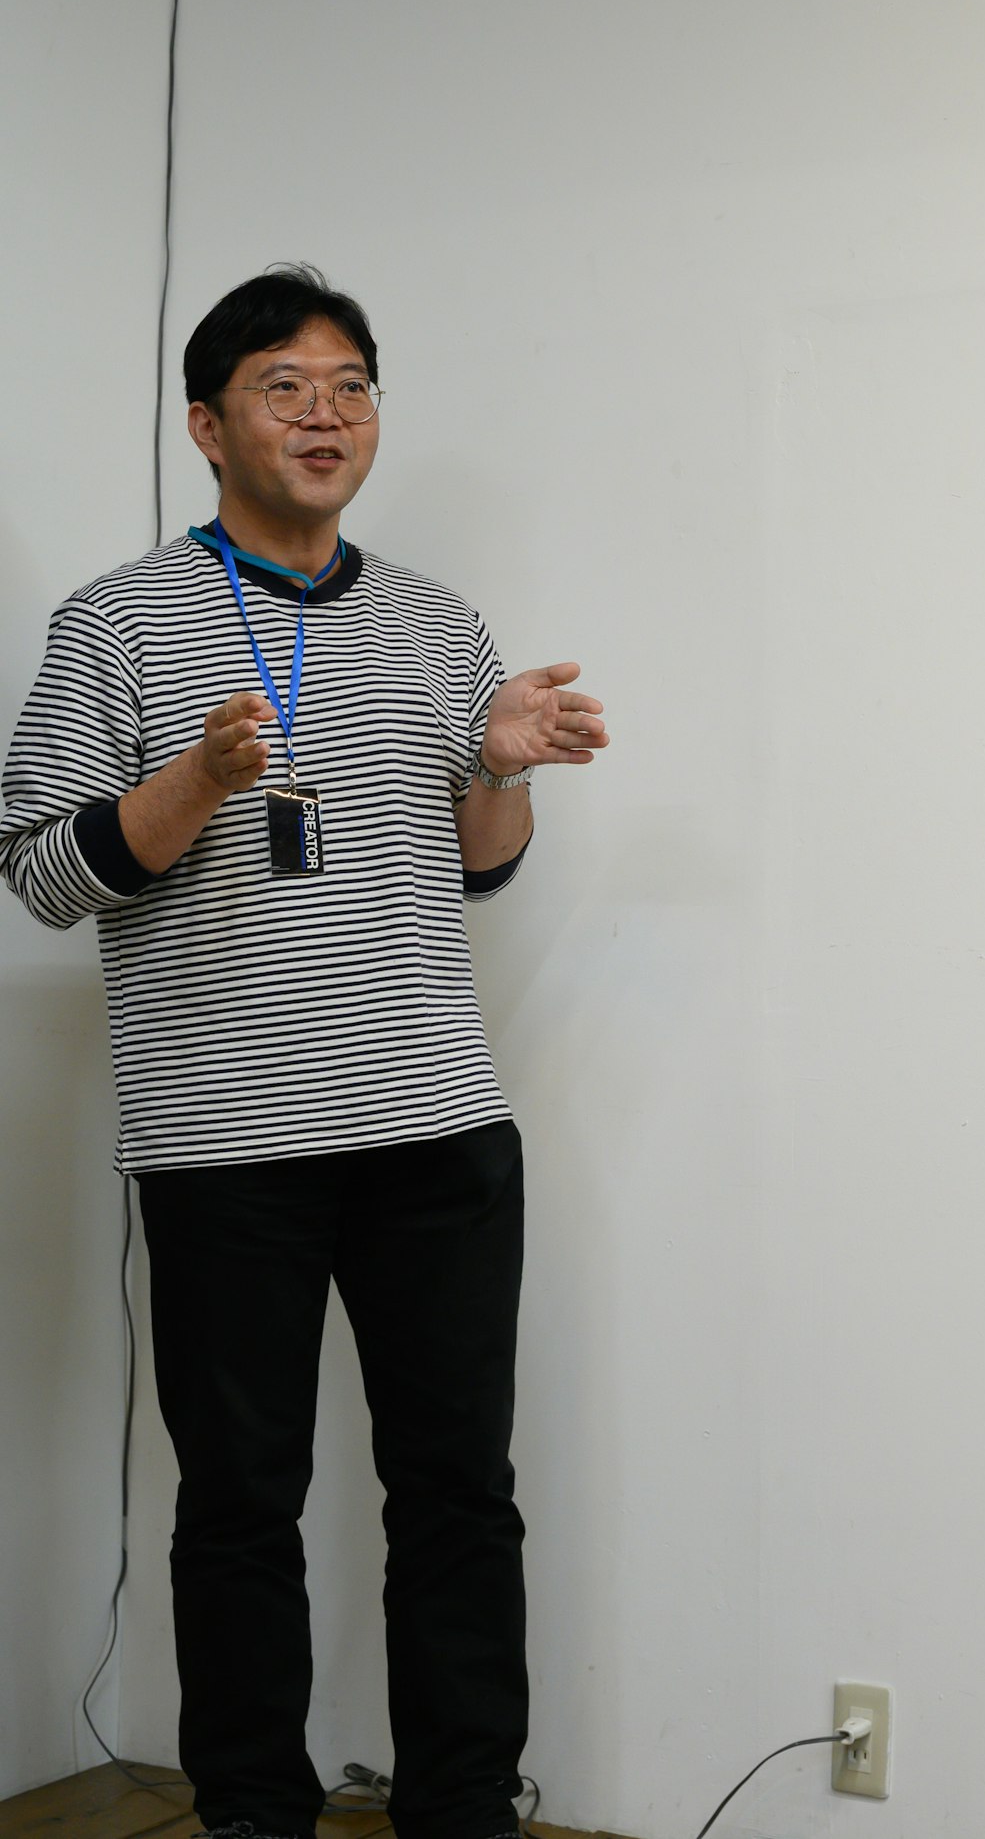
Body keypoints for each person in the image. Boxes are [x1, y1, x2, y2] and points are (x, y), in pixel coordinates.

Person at [0, 266, 608, 1839]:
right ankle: (255, 1813)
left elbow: (476, 866)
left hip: (436, 1127)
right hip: (226, 1144)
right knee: (242, 1510)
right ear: (207, 424)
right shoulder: (116, 621)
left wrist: (505, 766)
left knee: (462, 1495)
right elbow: (46, 877)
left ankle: (465, 1806)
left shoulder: (435, 618)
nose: (326, 411)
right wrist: (198, 779)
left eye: (351, 382)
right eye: (285, 383)